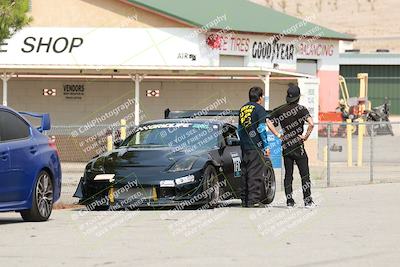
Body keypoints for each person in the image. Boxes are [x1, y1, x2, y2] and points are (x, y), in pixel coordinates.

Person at [267, 83, 315, 208]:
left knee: (288, 174)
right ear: (298, 97)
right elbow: (311, 124)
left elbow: (268, 121)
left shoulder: (280, 109)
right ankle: (308, 201)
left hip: (286, 145)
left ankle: (289, 201)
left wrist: (278, 135)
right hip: (298, 145)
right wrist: (305, 136)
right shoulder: (302, 109)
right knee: (304, 174)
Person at [238, 86, 280, 207]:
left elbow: (239, 129)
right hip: (256, 145)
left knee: (245, 172)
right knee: (255, 173)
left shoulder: (243, 108)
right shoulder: (260, 109)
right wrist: (266, 146)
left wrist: (243, 142)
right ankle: (253, 200)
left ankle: (244, 200)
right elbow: (262, 128)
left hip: (244, 146)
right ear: (260, 97)